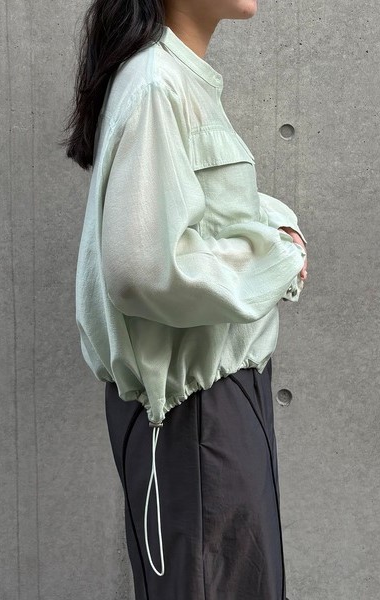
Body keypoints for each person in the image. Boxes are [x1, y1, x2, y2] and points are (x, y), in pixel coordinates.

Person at [61, 1, 308, 598]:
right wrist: (278, 258)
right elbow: (145, 268)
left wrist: (274, 227)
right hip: (195, 415)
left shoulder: (175, 77)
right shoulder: (156, 83)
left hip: (216, 404)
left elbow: (208, 209)